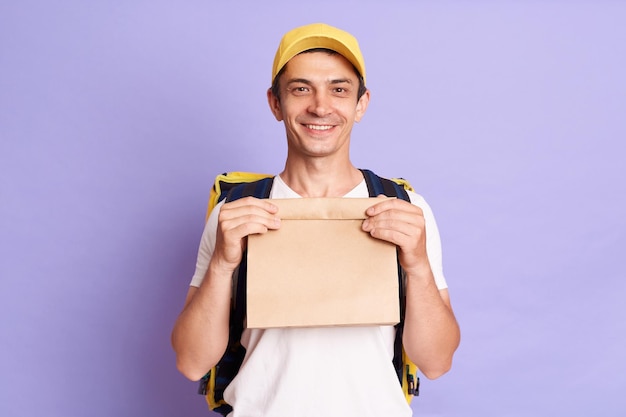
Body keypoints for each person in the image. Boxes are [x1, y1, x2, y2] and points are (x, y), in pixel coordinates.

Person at [171, 22, 460, 416]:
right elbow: (191, 362)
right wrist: (223, 264)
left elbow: (437, 362)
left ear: (361, 104)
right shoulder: (235, 212)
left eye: (339, 89)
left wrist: (419, 267)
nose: (320, 106)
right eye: (301, 88)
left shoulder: (405, 208)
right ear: (276, 103)